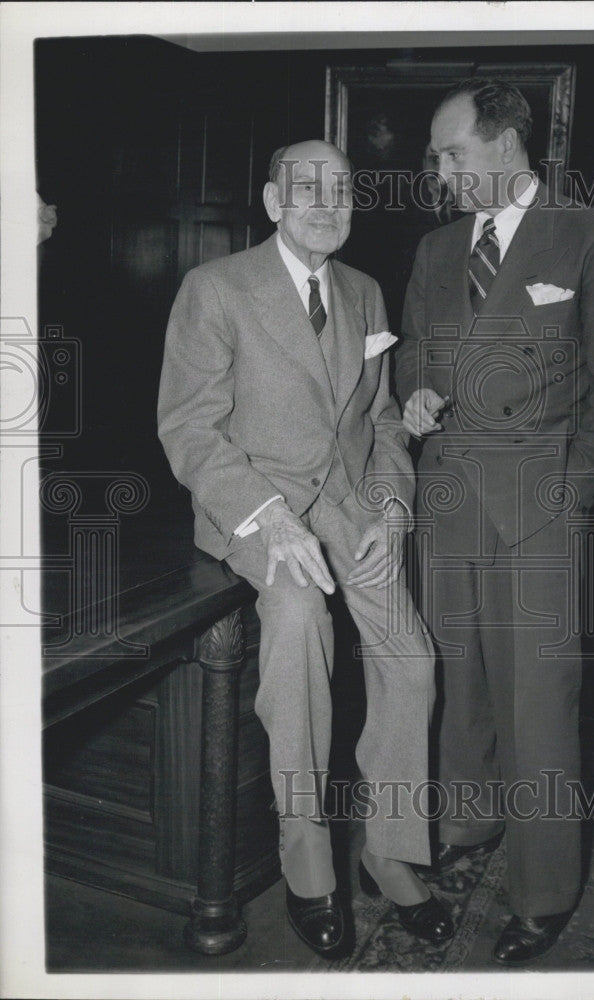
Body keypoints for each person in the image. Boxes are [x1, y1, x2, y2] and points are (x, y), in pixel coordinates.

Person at [158, 139, 452, 959]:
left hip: (353, 499)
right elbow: (187, 427)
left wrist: (392, 507)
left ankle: (390, 852)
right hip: (257, 505)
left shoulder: (364, 290)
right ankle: (307, 855)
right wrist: (268, 518)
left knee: (412, 657)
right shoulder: (215, 288)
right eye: (307, 189)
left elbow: (384, 417)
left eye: (342, 190)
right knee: (296, 621)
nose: (327, 204)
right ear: (271, 201)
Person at [395, 79, 594, 965]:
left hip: (537, 504)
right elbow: (409, 364)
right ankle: (469, 828)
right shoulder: (434, 249)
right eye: (436, 156)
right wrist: (414, 397)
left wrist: (570, 492)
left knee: (539, 704)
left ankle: (543, 891)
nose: (438, 172)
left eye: (451, 153)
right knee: (457, 690)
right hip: (447, 499)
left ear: (506, 143)